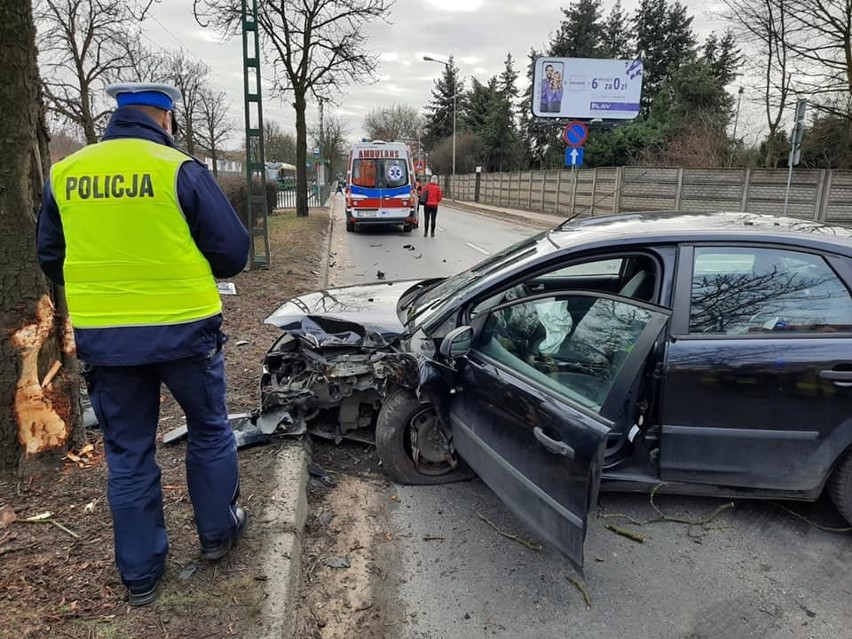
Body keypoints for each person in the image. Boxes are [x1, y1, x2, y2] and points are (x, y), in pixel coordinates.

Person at [36, 82, 251, 607]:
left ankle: (140, 576)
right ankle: (217, 535)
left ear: (118, 116)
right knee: (208, 429)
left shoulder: (66, 173)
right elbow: (233, 252)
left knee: (128, 453)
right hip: (185, 333)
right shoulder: (177, 168)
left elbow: (50, 256)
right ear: (165, 118)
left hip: (108, 342)